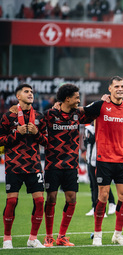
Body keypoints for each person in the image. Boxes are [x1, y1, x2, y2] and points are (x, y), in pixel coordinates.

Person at [43, 84, 94, 247]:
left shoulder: (78, 114)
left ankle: (62, 237)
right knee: (51, 198)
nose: (79, 100)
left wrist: (106, 100)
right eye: (77, 97)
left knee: (71, 199)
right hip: (52, 164)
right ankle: (49, 236)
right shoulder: (50, 114)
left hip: (71, 164)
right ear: (67, 99)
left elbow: (95, 112)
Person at [84, 76, 123, 246]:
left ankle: (117, 235)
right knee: (102, 196)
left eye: (122, 86)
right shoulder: (100, 105)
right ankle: (97, 234)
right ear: (109, 89)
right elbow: (82, 112)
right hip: (104, 159)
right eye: (117, 86)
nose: (120, 89)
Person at [0, 84, 47, 249]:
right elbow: (0, 141)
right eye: (26, 91)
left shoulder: (40, 117)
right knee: (12, 202)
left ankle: (32, 239)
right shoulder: (8, 116)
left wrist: (37, 134)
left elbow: (48, 142)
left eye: (32, 91)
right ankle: (7, 239)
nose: (30, 94)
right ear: (18, 96)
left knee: (40, 201)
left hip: (34, 165)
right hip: (14, 165)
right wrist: (16, 132)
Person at [84, 123, 116, 217]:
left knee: (101, 185)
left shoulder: (104, 127)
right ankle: (96, 206)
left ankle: (107, 206)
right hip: (91, 160)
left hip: (100, 160)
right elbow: (88, 142)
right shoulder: (89, 128)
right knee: (94, 185)